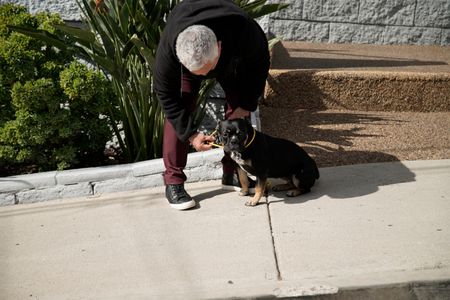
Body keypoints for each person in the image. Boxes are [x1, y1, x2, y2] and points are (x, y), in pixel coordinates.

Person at [153, 0, 270, 210]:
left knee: (239, 108)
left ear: (218, 45)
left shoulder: (243, 29)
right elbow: (166, 95)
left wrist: (247, 103)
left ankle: (233, 173)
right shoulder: (171, 47)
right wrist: (191, 134)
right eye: (201, 73)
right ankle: (173, 182)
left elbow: (260, 64)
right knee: (181, 106)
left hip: (230, 58)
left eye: (208, 70)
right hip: (198, 53)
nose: (207, 77)